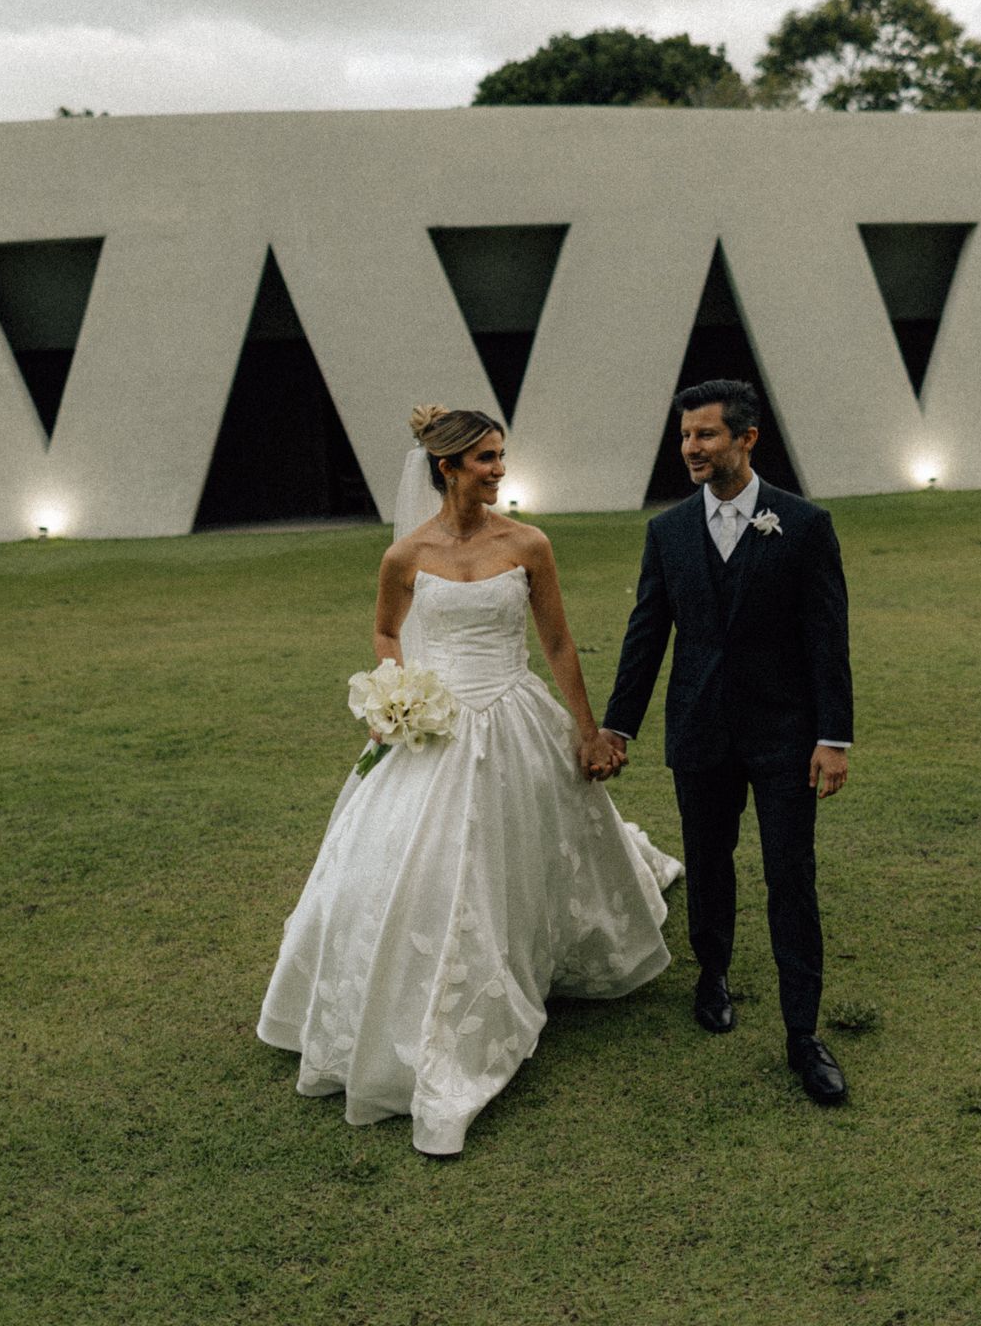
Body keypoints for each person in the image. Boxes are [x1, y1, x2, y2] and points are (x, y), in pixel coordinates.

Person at [257, 405, 681, 1156]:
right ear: (446, 467)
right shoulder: (405, 556)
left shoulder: (527, 543)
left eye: (500, 455)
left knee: (520, 848)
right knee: (424, 865)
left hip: (515, 713)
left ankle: (534, 957)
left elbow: (554, 640)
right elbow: (388, 632)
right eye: (484, 458)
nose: (498, 470)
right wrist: (396, 695)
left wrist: (586, 730)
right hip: (437, 724)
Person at [601, 379, 854, 1105]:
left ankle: (802, 1035)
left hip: (785, 736)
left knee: (789, 875)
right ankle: (710, 977)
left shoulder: (803, 525)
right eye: (685, 436)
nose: (690, 448)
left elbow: (825, 640)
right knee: (709, 865)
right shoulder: (668, 531)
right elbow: (646, 635)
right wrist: (618, 726)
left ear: (746, 439)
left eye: (705, 435)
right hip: (699, 730)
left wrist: (832, 739)